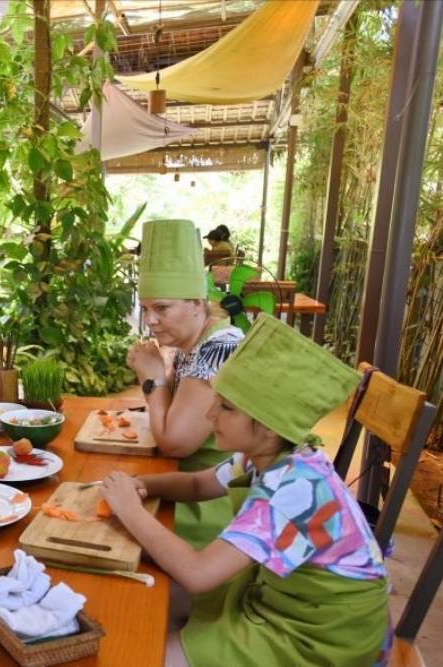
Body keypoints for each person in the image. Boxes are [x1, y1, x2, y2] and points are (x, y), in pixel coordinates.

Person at [101, 314, 389, 667]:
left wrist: (130, 510)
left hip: (319, 637)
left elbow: (197, 574)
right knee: (147, 601)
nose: (209, 414)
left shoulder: (295, 489)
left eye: (225, 407)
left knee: (144, 653)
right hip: (280, 599)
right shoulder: (268, 456)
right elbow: (196, 484)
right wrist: (141, 484)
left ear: (268, 428)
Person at [128, 219, 244, 549]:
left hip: (212, 505)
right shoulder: (193, 341)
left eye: (162, 308)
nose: (150, 321)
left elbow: (175, 443)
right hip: (186, 482)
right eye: (146, 309)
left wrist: (152, 379)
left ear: (197, 302)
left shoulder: (218, 346)